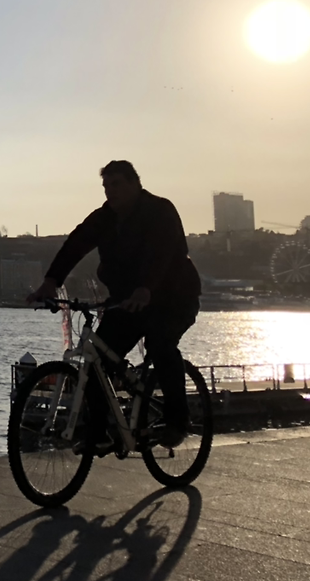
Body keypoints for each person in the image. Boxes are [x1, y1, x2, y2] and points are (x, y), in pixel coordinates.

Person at [26, 160, 201, 451]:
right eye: (106, 186)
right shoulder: (104, 218)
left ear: (135, 183)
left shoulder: (160, 211)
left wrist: (146, 288)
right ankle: (99, 432)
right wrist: (51, 281)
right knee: (96, 359)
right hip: (127, 301)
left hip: (174, 298)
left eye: (116, 184)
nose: (110, 191)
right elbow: (76, 244)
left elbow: (166, 253)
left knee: (160, 345)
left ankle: (178, 421)